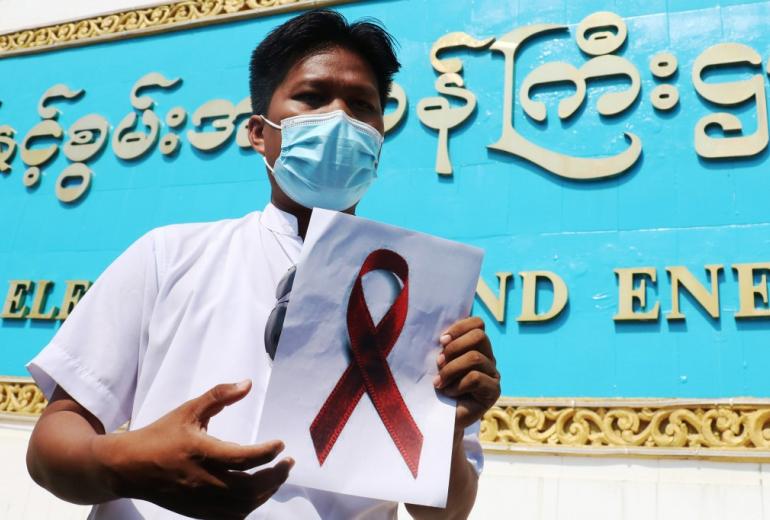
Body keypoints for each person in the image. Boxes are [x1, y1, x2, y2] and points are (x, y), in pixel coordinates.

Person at [25, 9, 501, 520]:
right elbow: (53, 445)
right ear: (259, 132)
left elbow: (443, 514)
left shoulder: (420, 293)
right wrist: (127, 464)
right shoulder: (169, 256)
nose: (339, 119)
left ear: (380, 138)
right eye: (312, 98)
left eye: (362, 106)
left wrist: (447, 426)